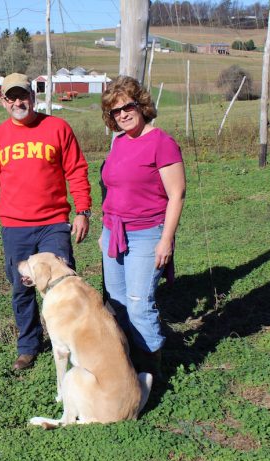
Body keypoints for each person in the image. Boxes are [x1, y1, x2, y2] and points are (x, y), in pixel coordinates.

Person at [0, 73, 92, 371]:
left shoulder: (57, 128)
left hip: (53, 223)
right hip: (15, 228)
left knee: (63, 284)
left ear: (33, 96)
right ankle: (28, 346)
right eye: (11, 98)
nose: (17, 102)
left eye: (22, 96)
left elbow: (76, 170)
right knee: (22, 287)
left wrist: (83, 210)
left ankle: (75, 341)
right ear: (3, 102)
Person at [99, 75, 186, 377]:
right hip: (113, 233)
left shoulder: (162, 143)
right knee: (118, 303)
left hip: (146, 234)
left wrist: (166, 239)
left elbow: (177, 194)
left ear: (141, 105)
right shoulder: (120, 142)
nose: (122, 114)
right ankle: (129, 363)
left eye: (127, 107)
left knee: (138, 304)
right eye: (114, 111)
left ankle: (151, 371)